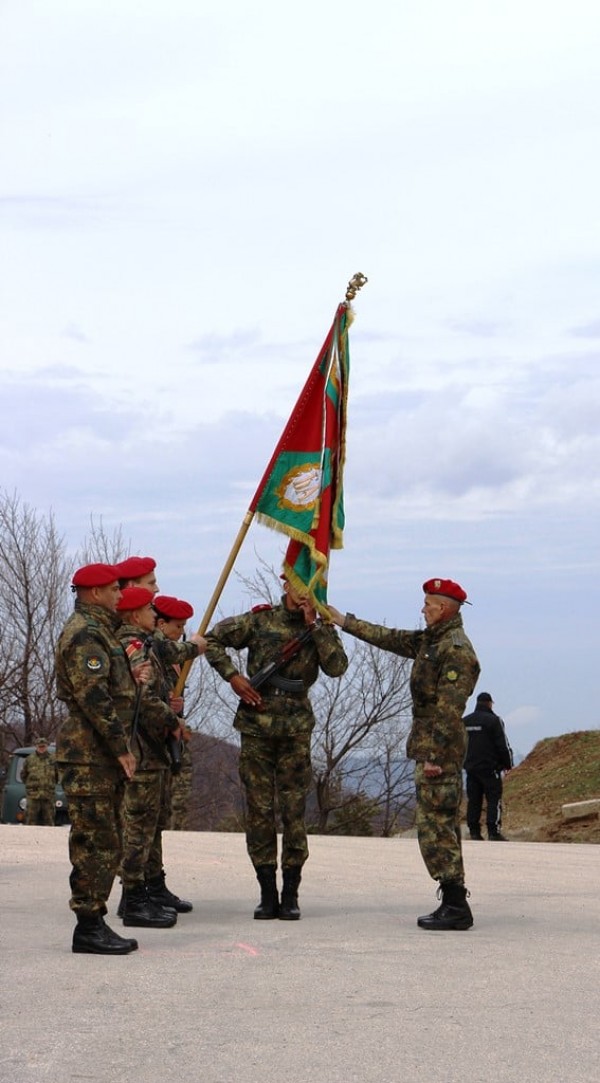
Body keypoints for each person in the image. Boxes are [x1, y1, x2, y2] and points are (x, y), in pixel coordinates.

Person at [328, 578, 480, 931]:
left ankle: (456, 904)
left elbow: (449, 709)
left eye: (428, 605)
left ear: (443, 609)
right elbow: (390, 638)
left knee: (436, 826)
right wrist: (344, 621)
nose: (422, 610)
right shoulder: (432, 641)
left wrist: (435, 756)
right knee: (436, 824)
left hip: (439, 749)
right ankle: (453, 900)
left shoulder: (455, 650)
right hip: (429, 744)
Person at [204, 576, 349, 920]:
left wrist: (316, 626)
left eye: (310, 587)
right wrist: (233, 677)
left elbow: (337, 667)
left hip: (295, 729)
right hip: (257, 725)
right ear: (286, 586)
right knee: (259, 810)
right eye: (299, 585)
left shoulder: (320, 627)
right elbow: (211, 640)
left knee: (294, 811)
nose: (304, 593)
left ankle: (291, 893)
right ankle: (267, 892)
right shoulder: (260, 620)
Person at [54, 563, 149, 955]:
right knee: (96, 840)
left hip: (98, 754)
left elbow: (111, 688)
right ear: (94, 593)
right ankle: (89, 926)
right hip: (89, 755)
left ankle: (94, 922)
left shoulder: (100, 631)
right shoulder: (86, 634)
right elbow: (94, 698)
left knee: (107, 838)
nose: (119, 595)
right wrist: (121, 748)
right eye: (113, 590)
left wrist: (132, 682)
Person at [116, 586, 188, 928]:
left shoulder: (146, 645)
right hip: (141, 752)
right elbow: (142, 699)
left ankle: (148, 890)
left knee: (151, 825)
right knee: (139, 827)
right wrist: (172, 720)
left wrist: (171, 707)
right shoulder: (135, 647)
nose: (154, 616)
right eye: (149, 611)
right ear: (136, 615)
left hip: (152, 751)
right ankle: (133, 900)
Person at [152, 595, 199, 832]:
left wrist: (176, 706)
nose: (181, 633)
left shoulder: (174, 658)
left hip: (170, 726)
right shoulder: (155, 648)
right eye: (178, 626)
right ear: (161, 624)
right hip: (154, 730)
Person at [463, 691, 513, 841]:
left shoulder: (465, 721)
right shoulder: (494, 721)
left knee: (474, 800)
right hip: (490, 768)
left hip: (471, 768)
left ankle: (474, 831)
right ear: (490, 704)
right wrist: (508, 764)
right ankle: (493, 831)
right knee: (493, 799)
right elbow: (502, 745)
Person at [21, 735, 58, 825]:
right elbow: (23, 775)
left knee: (49, 821)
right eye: (40, 747)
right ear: (36, 746)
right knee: (30, 821)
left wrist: (50, 784)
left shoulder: (53, 760)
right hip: (33, 795)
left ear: (46, 746)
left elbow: (57, 776)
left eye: (43, 746)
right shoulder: (29, 759)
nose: (41, 748)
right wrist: (31, 786)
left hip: (48, 795)